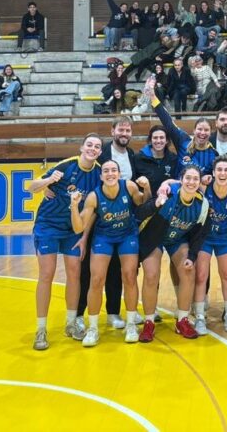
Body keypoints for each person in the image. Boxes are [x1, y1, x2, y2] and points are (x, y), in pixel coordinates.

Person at [27, 134, 103, 350]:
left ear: (100, 152)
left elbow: (93, 209)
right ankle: (41, 329)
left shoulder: (98, 173)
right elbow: (32, 187)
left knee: (74, 274)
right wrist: (48, 181)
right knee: (47, 274)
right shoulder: (66, 166)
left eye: (97, 147)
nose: (93, 149)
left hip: (73, 229)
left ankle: (70, 324)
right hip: (48, 225)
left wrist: (84, 237)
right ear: (82, 147)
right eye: (89, 145)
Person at [70, 162, 151, 345]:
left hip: (127, 235)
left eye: (114, 170)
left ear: (119, 174)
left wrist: (147, 188)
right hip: (104, 237)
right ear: (101, 176)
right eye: (106, 171)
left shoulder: (129, 186)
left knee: (129, 277)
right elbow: (78, 228)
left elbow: (143, 203)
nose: (110, 173)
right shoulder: (93, 197)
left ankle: (131, 324)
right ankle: (93, 329)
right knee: (96, 280)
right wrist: (74, 207)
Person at [136, 165, 211, 342]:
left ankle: (182, 320)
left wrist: (192, 257)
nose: (191, 182)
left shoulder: (202, 204)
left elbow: (200, 234)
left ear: (199, 182)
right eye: (188, 178)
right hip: (155, 237)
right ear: (181, 180)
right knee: (151, 275)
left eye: (195, 179)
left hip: (178, 239)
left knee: (188, 271)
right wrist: (155, 203)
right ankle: (149, 322)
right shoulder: (169, 192)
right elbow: (140, 213)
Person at [76, 117, 138, 332]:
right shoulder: (101, 154)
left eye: (128, 130)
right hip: (97, 216)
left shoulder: (131, 154)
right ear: (112, 131)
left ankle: (113, 312)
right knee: (91, 273)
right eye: (121, 129)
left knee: (116, 271)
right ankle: (79, 315)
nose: (124, 133)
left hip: (122, 220)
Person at [193, 157, 227, 334]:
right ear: (213, 173)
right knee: (201, 276)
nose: (222, 173)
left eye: (226, 170)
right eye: (219, 170)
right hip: (205, 238)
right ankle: (200, 316)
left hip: (225, 237)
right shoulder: (204, 187)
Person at [151, 90, 217, 178]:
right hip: (178, 186)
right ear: (194, 131)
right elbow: (167, 122)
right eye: (199, 129)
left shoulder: (213, 154)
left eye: (206, 130)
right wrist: (153, 97)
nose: (202, 133)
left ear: (210, 133)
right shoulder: (183, 141)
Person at [134, 125, 178, 195]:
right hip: (146, 200)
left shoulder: (173, 159)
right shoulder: (138, 158)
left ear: (166, 140)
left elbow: (177, 182)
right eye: (155, 138)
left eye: (162, 137)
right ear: (150, 140)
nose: (158, 141)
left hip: (167, 200)